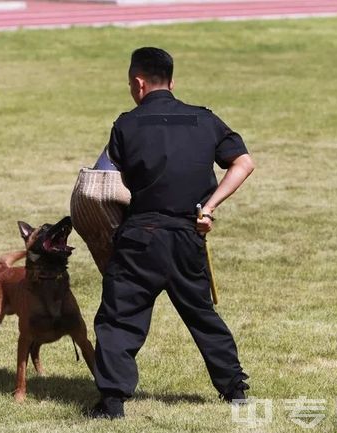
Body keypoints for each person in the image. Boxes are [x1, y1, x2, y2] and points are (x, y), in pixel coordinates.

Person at [89, 47, 256, 419]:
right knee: (202, 315)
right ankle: (235, 392)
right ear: (172, 82)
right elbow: (244, 163)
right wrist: (209, 207)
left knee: (119, 318)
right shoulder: (206, 120)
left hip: (140, 237)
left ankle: (112, 402)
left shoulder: (126, 124)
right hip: (186, 236)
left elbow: (98, 181)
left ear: (138, 83)